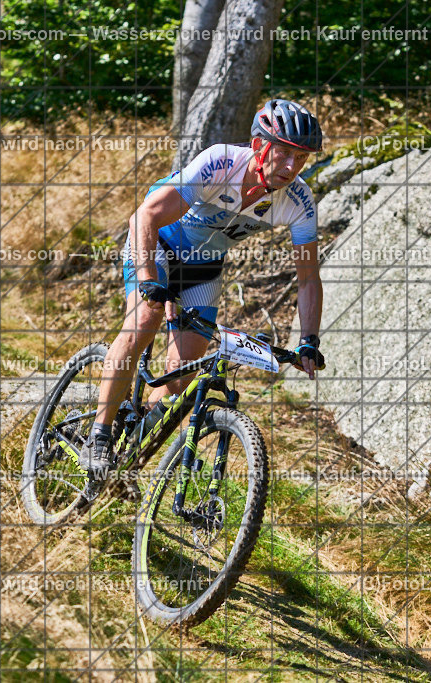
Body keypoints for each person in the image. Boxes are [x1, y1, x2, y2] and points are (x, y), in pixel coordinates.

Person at [79, 99, 326, 472]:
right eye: (285, 153)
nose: (292, 167)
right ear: (259, 146)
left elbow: (308, 277)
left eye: (302, 158)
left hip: (204, 266)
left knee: (182, 377)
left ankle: (128, 453)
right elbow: (144, 216)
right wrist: (148, 281)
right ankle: (98, 434)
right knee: (145, 320)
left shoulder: (298, 201)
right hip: (156, 242)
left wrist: (309, 339)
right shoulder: (221, 162)